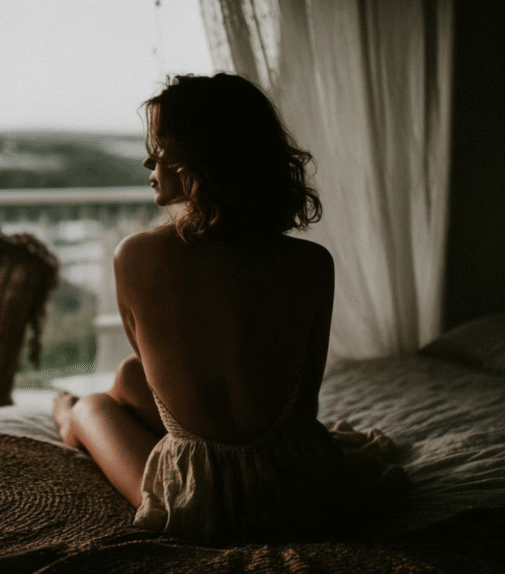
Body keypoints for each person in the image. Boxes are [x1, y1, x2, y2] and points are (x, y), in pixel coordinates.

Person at [52, 73, 404, 545]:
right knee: (132, 375)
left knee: (95, 404)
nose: (147, 160)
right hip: (300, 485)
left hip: (202, 504)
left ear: (198, 160)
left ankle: (67, 418)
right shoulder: (311, 262)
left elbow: (162, 373)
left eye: (160, 148)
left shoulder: (135, 256)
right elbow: (304, 404)